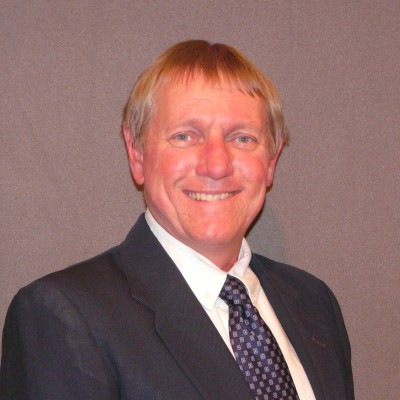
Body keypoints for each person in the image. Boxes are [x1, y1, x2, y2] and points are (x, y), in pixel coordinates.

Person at [0, 40, 354, 400]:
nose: (216, 165)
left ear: (271, 161)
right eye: (185, 136)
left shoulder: (314, 305)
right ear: (137, 155)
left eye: (242, 138)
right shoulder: (66, 317)